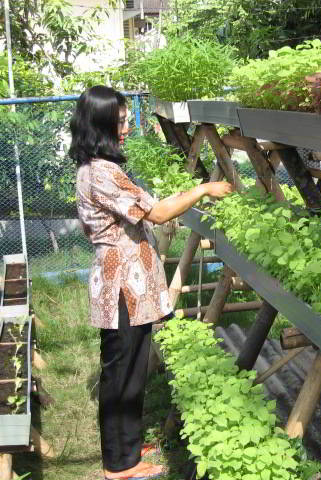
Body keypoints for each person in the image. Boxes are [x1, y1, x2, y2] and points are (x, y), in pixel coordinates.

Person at [69, 86, 232, 480]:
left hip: (130, 282)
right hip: (122, 285)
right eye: (121, 121)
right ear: (102, 125)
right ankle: (120, 465)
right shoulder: (101, 173)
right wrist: (204, 188)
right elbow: (157, 213)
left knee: (131, 367)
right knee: (122, 373)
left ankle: (125, 446)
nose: (126, 127)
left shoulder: (101, 166)